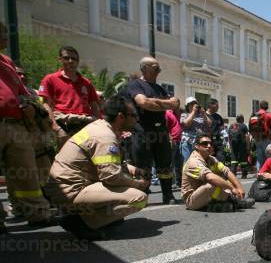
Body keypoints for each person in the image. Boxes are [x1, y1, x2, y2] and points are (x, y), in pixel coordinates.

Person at [45, 95, 150, 240]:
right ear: (120, 116)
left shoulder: (100, 127)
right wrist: (139, 184)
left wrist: (137, 171)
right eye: (133, 115)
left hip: (66, 187)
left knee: (124, 193)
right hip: (70, 191)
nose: (136, 119)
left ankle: (93, 216)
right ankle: (80, 222)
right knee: (139, 198)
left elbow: (113, 164)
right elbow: (111, 177)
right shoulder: (105, 137)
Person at [0, 23, 54, 231]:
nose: (5, 36)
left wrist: (29, 106)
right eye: (1, 32)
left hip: (17, 124)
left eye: (5, 32)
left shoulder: (7, 62)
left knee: (26, 171)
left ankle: (38, 213)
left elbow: (24, 92)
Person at [126, 56, 180, 204]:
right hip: (143, 130)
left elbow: (175, 104)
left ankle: (168, 195)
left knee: (165, 165)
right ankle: (142, 197)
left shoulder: (160, 88)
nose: (158, 71)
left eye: (159, 68)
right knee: (143, 165)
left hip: (161, 131)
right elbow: (143, 103)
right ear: (144, 68)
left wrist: (156, 103)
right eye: (156, 68)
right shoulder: (135, 84)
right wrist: (165, 103)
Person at [39, 46, 101, 149]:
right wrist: (55, 127)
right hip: (63, 124)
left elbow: (95, 106)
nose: (71, 61)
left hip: (84, 124)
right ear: (60, 59)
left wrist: (98, 126)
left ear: (78, 61)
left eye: (74, 58)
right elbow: (45, 104)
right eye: (67, 58)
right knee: (64, 158)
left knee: (82, 156)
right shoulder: (50, 79)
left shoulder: (86, 83)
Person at [181, 135, 254, 211]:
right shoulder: (193, 161)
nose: (209, 146)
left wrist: (239, 188)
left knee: (226, 181)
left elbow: (226, 171)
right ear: (197, 146)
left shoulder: (211, 159)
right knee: (212, 184)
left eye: (210, 143)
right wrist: (232, 188)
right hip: (191, 200)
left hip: (203, 193)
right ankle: (233, 201)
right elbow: (210, 177)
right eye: (205, 143)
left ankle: (222, 203)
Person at [180, 97, 210, 162]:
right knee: (188, 161)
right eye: (192, 104)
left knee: (200, 161)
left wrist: (204, 114)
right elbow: (186, 124)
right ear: (187, 106)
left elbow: (210, 124)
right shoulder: (184, 115)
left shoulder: (201, 116)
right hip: (188, 142)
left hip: (200, 143)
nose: (194, 105)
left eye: (195, 103)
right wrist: (193, 112)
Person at [250, 100, 271, 170]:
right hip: (266, 139)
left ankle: (260, 175)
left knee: (260, 158)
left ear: (260, 106)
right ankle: (270, 174)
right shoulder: (269, 115)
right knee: (269, 157)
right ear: (267, 107)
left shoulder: (254, 115)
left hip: (257, 139)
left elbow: (250, 128)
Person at [165, 99, 183, 187]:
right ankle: (171, 182)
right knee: (172, 162)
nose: (175, 104)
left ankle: (179, 181)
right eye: (173, 102)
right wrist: (170, 138)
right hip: (173, 141)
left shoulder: (181, 113)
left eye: (177, 103)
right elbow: (166, 127)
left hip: (182, 141)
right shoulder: (168, 113)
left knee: (179, 162)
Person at [206, 98, 226, 162]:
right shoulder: (203, 115)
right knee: (210, 159)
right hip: (208, 141)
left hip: (218, 142)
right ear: (210, 105)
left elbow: (222, 128)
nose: (218, 107)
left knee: (221, 158)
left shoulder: (218, 117)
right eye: (217, 105)